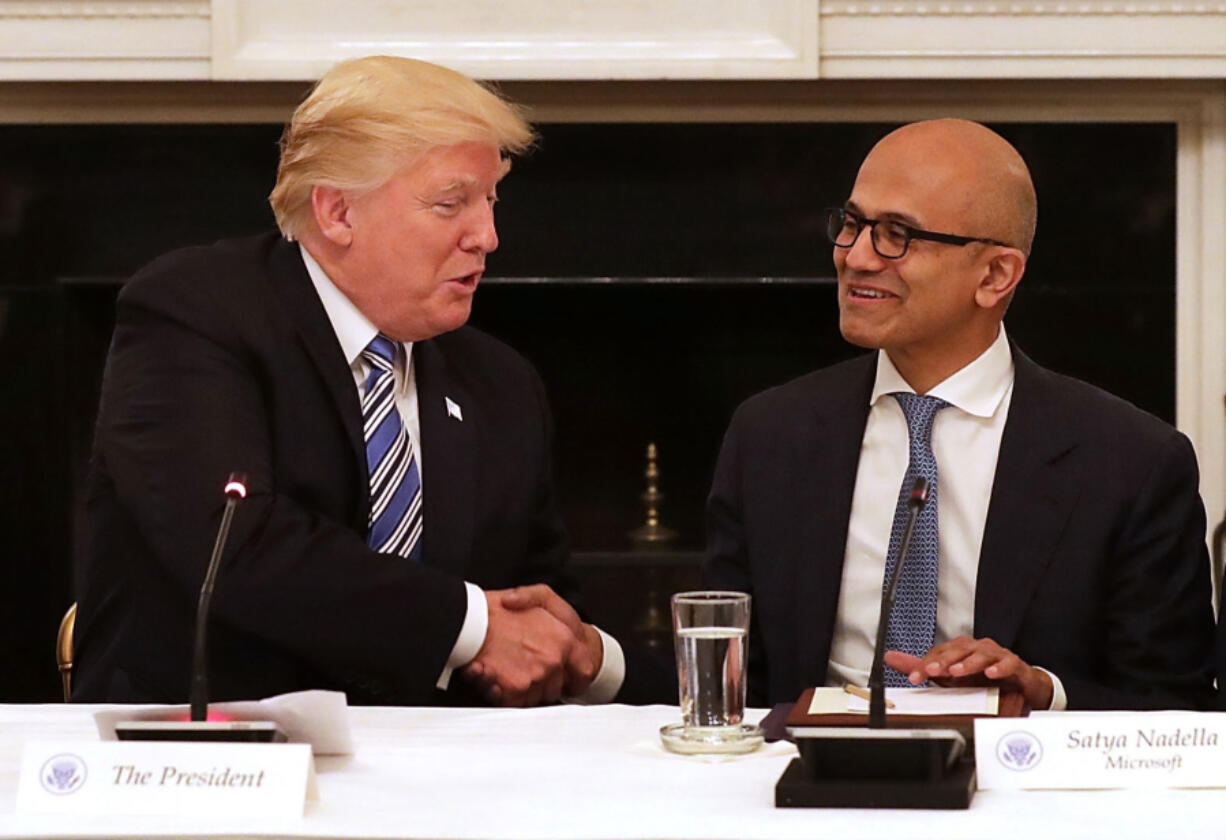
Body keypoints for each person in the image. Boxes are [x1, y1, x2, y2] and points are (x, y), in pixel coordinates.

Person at [73, 55, 667, 707]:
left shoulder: (500, 383)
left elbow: (533, 618)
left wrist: (592, 658)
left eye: (492, 201)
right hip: (212, 767)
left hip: (442, 781)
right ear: (337, 213)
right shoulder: (195, 312)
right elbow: (235, 544)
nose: (488, 236)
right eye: (451, 204)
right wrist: (470, 628)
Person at [705, 119, 1216, 712]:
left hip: (1023, 787)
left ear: (995, 275)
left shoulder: (1133, 462)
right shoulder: (769, 434)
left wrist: (1041, 692)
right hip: (807, 778)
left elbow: (1177, 709)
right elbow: (723, 675)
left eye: (898, 234)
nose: (856, 256)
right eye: (852, 224)